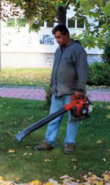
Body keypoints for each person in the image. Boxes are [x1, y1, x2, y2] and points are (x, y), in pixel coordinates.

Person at [35, 24, 89, 154]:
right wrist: (52, 85)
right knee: (53, 118)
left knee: (72, 119)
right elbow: (56, 69)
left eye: (59, 37)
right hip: (58, 92)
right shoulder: (58, 50)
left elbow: (83, 71)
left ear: (66, 34)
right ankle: (49, 141)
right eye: (55, 38)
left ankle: (69, 143)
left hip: (72, 93)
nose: (57, 40)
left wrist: (80, 89)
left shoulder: (77, 49)